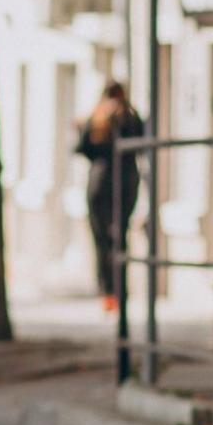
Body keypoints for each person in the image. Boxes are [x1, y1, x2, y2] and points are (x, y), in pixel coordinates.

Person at [75, 80, 144, 313]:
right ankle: (120, 290)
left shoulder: (97, 117)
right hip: (126, 180)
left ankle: (107, 293)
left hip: (100, 180)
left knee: (101, 240)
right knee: (120, 236)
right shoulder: (131, 116)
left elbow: (82, 147)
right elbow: (142, 144)